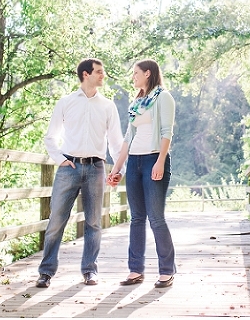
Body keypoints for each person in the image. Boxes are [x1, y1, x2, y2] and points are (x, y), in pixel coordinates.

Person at [35, 58, 124, 288]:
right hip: (69, 168)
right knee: (56, 220)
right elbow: (50, 137)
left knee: (94, 222)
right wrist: (60, 160)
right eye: (99, 72)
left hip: (96, 168)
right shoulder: (65, 103)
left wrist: (118, 169)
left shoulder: (108, 106)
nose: (103, 76)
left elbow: (116, 143)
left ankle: (89, 271)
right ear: (86, 74)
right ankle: (46, 272)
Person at [107, 59, 177, 289]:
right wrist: (116, 168)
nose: (133, 77)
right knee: (137, 218)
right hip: (135, 162)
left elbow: (167, 133)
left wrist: (159, 162)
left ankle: (167, 270)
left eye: (136, 73)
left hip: (153, 159)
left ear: (148, 73)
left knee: (156, 218)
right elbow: (128, 138)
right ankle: (135, 270)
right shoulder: (138, 101)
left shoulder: (163, 98)